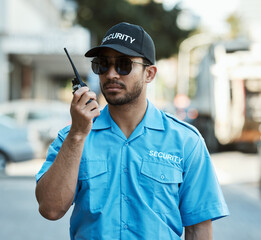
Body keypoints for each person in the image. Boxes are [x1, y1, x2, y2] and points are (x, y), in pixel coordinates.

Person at [35, 22, 229, 240]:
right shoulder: (72, 136)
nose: (110, 74)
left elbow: (198, 229)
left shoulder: (186, 141)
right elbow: (50, 209)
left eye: (123, 65)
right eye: (102, 65)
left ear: (150, 74)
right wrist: (77, 136)